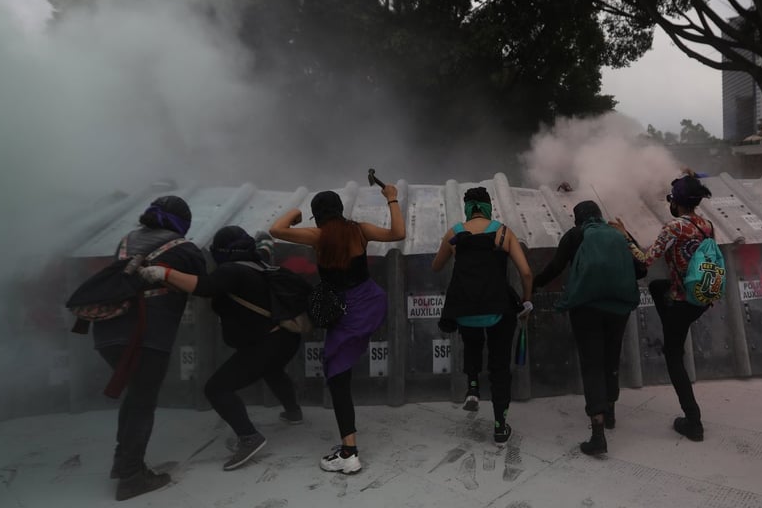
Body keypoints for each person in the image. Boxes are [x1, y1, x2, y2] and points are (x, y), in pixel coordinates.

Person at [139, 225, 304, 472]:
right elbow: (264, 248)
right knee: (272, 369)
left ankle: (249, 437)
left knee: (217, 389)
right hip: (286, 339)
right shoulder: (259, 264)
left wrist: (163, 273)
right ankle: (294, 413)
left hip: (265, 344)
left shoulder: (232, 270)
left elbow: (204, 287)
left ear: (223, 251)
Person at [269, 185, 405, 473]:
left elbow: (276, 230)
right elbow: (398, 233)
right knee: (339, 370)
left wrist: (295, 213)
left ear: (318, 216)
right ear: (341, 210)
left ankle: (349, 452)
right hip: (370, 302)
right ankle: (348, 448)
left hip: (344, 312)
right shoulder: (359, 230)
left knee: (337, 376)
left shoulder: (318, 236)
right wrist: (392, 198)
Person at [93, 195, 206, 501]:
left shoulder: (126, 241)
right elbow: (205, 284)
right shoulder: (184, 248)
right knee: (142, 400)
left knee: (135, 395)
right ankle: (131, 477)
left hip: (106, 332)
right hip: (146, 336)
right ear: (182, 223)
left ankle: (122, 462)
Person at [610, 174, 714, 442]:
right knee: (658, 287)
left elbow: (645, 259)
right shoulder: (707, 225)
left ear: (676, 202)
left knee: (673, 357)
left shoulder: (674, 227)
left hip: (682, 301)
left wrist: (624, 236)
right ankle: (671, 328)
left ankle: (693, 421)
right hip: (702, 296)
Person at [533, 200, 641, 455]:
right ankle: (611, 411)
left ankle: (598, 433)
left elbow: (555, 268)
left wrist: (534, 284)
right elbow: (641, 267)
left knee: (592, 363)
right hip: (619, 307)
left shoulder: (575, 235)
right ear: (600, 215)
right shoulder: (618, 232)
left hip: (585, 308)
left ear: (577, 219)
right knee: (611, 356)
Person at [432, 187, 533, 444]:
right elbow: (526, 273)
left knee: (472, 343)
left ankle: (473, 386)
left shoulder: (455, 233)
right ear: (489, 206)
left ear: (467, 208)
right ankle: (500, 426)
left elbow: (436, 266)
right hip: (499, 308)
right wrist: (526, 300)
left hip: (465, 308)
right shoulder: (503, 232)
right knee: (500, 366)